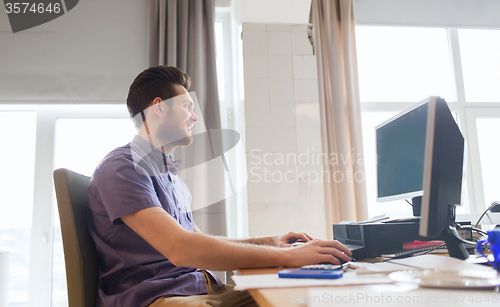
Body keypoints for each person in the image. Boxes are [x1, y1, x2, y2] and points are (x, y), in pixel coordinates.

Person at [87, 65, 352, 307]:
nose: (195, 118)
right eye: (187, 107)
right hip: (157, 298)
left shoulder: (170, 176)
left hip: (200, 289)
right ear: (159, 107)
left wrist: (270, 242)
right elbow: (182, 249)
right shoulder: (123, 167)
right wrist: (290, 257)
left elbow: (198, 241)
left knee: (309, 297)